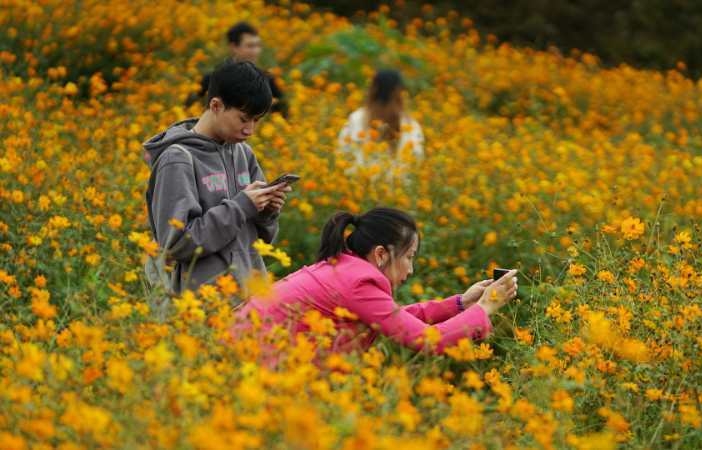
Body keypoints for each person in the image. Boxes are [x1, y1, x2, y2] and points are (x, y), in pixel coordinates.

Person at [232, 207, 518, 360]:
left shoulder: (344, 267)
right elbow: (426, 340)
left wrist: (462, 304)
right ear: (381, 254)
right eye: (409, 257)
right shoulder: (359, 281)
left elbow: (392, 318)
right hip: (251, 365)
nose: (411, 268)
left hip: (242, 354)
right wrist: (486, 307)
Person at [144, 61, 291, 293]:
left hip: (251, 294)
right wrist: (241, 207)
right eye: (243, 119)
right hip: (205, 304)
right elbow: (175, 245)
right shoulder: (177, 159)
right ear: (215, 105)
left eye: (256, 121)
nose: (250, 130)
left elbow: (262, 241)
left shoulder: (244, 153)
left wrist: (267, 212)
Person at [185, 21, 288, 117]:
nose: (256, 51)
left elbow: (283, 113)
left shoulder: (268, 80)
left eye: (258, 46)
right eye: (250, 46)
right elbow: (189, 108)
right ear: (233, 47)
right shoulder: (212, 79)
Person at [338, 69, 424, 167]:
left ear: (372, 92)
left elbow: (342, 156)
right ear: (400, 95)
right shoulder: (411, 126)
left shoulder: (355, 119)